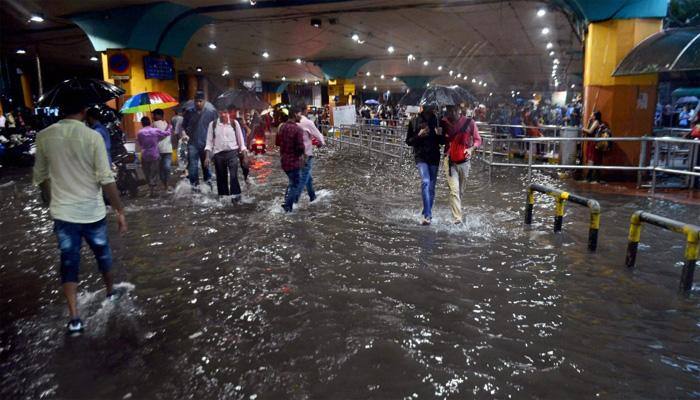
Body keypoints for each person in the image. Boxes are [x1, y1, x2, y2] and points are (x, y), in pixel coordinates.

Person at [32, 97, 127, 335]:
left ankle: (74, 318)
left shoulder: (44, 136)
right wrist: (119, 210)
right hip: (91, 212)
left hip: (63, 213)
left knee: (69, 261)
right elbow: (106, 178)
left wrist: (51, 199)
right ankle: (110, 292)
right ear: (84, 111)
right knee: (103, 254)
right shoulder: (92, 137)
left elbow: (41, 177)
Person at [442, 106, 482, 224]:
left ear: (459, 109)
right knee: (454, 190)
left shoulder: (470, 123)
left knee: (460, 191)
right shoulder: (444, 123)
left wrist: (471, 149)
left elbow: (478, 140)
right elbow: (441, 139)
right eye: (451, 110)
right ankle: (457, 218)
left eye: (455, 109)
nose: (453, 112)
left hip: (464, 161)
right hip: (450, 161)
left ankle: (456, 211)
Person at [406, 106, 443, 225]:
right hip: (421, 156)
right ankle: (428, 215)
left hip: (434, 156)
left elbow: (442, 142)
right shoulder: (414, 121)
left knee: (431, 187)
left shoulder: (438, 121)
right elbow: (408, 141)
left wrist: (440, 135)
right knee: (426, 181)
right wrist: (419, 135)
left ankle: (426, 211)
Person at [204, 105, 247, 202]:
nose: (223, 115)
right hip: (218, 155)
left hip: (232, 153)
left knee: (233, 176)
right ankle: (224, 200)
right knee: (221, 178)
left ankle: (236, 198)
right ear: (218, 113)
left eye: (225, 112)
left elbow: (241, 142)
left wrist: (245, 156)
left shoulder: (234, 123)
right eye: (221, 112)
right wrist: (207, 157)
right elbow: (209, 142)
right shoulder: (213, 124)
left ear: (229, 113)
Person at [182, 92, 218, 189]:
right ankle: (195, 188)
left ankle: (208, 185)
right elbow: (184, 126)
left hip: (206, 144)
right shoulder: (189, 112)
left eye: (200, 101)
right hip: (192, 143)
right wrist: (185, 133)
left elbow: (216, 128)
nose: (198, 103)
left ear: (204, 101)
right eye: (196, 101)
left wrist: (215, 143)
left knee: (206, 165)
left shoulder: (211, 112)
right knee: (193, 167)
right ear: (194, 101)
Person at [275, 108, 305, 212]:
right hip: (293, 162)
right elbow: (301, 147)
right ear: (295, 114)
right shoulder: (298, 129)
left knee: (292, 182)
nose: (301, 116)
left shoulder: (282, 127)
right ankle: (288, 206)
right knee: (296, 183)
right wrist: (300, 157)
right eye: (300, 114)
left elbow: (277, 143)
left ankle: (287, 201)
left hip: (284, 161)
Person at [294, 104, 325, 203]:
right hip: (306, 155)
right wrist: (322, 143)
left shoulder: (290, 123)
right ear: (304, 111)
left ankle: (312, 197)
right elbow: (319, 135)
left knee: (307, 178)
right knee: (303, 178)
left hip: (294, 155)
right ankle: (293, 202)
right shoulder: (307, 122)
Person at [136, 116, 172, 197]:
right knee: (154, 172)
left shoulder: (139, 132)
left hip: (144, 154)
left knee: (147, 172)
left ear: (142, 123)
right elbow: (167, 133)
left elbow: (140, 144)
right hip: (154, 154)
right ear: (149, 122)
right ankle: (153, 188)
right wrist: (169, 126)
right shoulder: (155, 130)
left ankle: (150, 189)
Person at [152, 109, 172, 191]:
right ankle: (166, 185)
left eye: (154, 115)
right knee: (165, 168)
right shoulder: (168, 123)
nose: (153, 116)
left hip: (160, 150)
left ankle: (165, 184)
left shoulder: (154, 124)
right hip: (166, 149)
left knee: (162, 168)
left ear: (158, 115)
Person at [582, 111, 603, 183]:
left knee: (593, 160)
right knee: (592, 160)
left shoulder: (596, 122)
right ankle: (591, 178)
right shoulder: (593, 122)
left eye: (592, 114)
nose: (590, 115)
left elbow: (590, 131)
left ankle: (592, 178)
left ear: (595, 116)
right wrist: (588, 122)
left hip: (594, 143)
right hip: (591, 142)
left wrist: (582, 128)